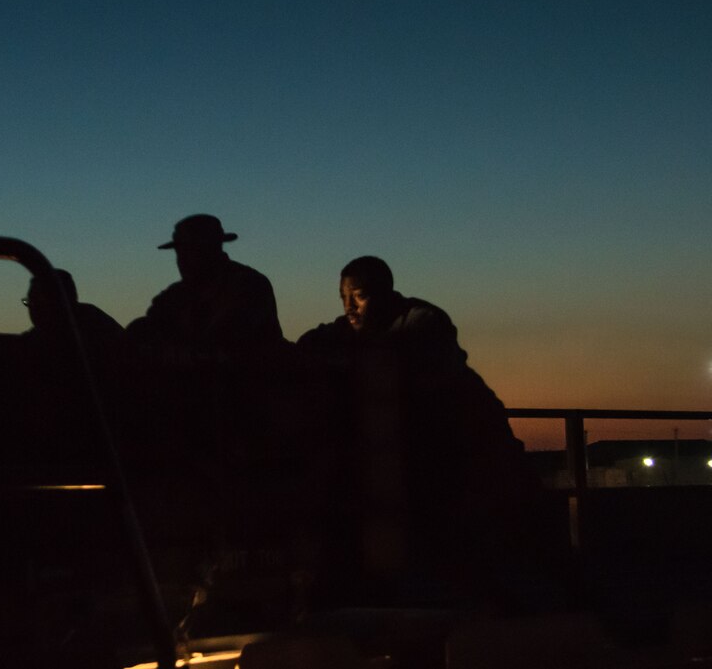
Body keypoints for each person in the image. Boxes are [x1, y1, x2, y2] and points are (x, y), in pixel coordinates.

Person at [298, 256, 566, 612]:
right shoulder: (347, 328)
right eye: (343, 297)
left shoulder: (423, 320)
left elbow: (405, 371)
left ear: (386, 293)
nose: (349, 307)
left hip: (467, 450)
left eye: (359, 296)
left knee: (498, 552)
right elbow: (308, 346)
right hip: (412, 458)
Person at [126, 214, 284, 358]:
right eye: (180, 252)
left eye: (192, 250)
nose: (182, 260)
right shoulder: (173, 295)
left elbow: (227, 344)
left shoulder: (249, 285)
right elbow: (148, 328)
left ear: (213, 249)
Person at [21, 268, 123, 353]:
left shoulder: (96, 333)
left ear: (63, 301)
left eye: (40, 302)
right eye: (30, 301)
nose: (33, 308)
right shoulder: (39, 335)